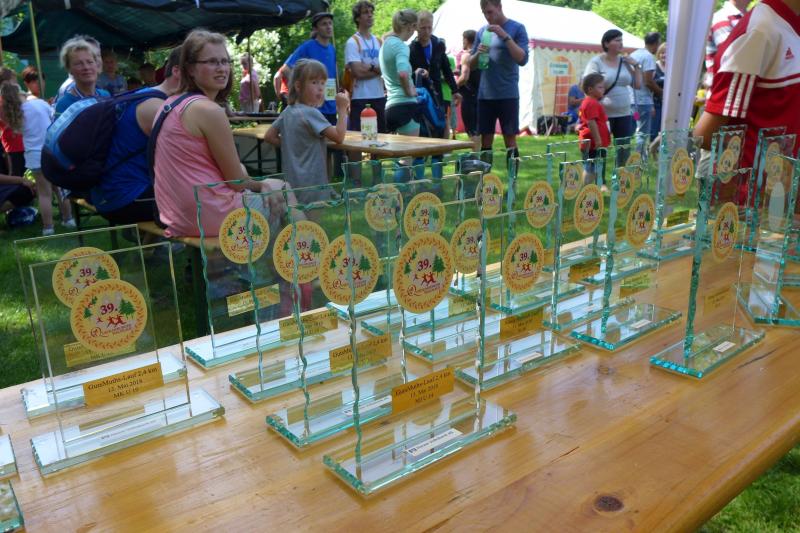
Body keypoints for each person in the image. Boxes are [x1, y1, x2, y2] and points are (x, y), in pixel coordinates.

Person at [152, 30, 279, 237]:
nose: (222, 68)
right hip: (209, 215)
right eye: (211, 62)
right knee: (284, 191)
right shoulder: (209, 110)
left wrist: (243, 173)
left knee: (273, 189)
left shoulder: (169, 103)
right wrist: (262, 184)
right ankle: (299, 255)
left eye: (225, 61)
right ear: (190, 69)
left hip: (175, 214)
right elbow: (236, 182)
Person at [693, 0, 800, 205]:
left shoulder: (784, 25)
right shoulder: (760, 30)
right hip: (749, 205)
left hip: (783, 200)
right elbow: (705, 136)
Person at [88, 46, 182, 225]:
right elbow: (185, 164)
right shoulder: (157, 107)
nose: (222, 69)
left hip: (105, 194)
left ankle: (151, 242)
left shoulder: (142, 95)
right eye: (209, 63)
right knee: (204, 199)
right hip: (124, 199)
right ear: (178, 71)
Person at [264, 59, 349, 206]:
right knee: (313, 220)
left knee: (297, 217)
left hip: (292, 183)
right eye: (314, 82)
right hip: (312, 184)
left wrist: (291, 145)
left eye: (322, 83)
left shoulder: (287, 111)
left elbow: (269, 136)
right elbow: (339, 137)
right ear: (298, 86)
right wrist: (342, 109)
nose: (320, 88)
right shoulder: (311, 113)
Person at [0, 80, 73, 235]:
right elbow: (53, 119)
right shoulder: (39, 103)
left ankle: (48, 227)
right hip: (52, 151)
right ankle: (68, 219)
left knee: (44, 193)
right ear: (21, 93)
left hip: (34, 156)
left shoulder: (16, 115)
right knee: (60, 189)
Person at [469, 0, 529, 162]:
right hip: (485, 95)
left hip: (507, 94)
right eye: (484, 13)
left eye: (490, 12)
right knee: (486, 140)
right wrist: (478, 53)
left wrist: (505, 36)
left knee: (510, 140)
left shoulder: (517, 28)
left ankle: (512, 177)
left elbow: (522, 59)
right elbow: (471, 65)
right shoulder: (482, 31)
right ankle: (485, 176)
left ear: (499, 7)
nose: (487, 16)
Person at [583, 29, 642, 144]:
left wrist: (636, 65)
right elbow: (587, 86)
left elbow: (638, 85)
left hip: (625, 113)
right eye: (617, 40)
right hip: (602, 113)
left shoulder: (625, 62)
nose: (621, 43)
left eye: (621, 40)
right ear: (606, 44)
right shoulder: (596, 62)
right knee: (602, 146)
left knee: (623, 148)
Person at [279, 13, 338, 124]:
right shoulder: (307, 47)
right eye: (324, 24)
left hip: (331, 107)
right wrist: (301, 91)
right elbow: (286, 70)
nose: (328, 27)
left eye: (330, 23)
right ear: (316, 29)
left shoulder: (332, 49)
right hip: (313, 108)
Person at [409, 10, 460, 137]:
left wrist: (455, 90)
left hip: (437, 92)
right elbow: (408, 73)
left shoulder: (438, 44)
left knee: (441, 125)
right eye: (423, 28)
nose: (427, 31)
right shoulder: (411, 48)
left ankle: (441, 150)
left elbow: (446, 69)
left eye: (429, 27)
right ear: (416, 28)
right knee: (424, 128)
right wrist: (416, 74)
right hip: (421, 94)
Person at [345, 1, 386, 133]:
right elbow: (358, 72)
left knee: (381, 136)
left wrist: (370, 67)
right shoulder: (352, 42)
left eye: (371, 12)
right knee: (359, 137)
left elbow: (385, 69)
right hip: (360, 97)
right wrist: (377, 69)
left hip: (379, 95)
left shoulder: (379, 41)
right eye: (365, 13)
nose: (370, 15)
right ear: (357, 18)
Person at [380, 9, 419, 136]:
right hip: (405, 105)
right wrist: (410, 92)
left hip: (390, 107)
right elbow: (402, 73)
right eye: (414, 27)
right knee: (411, 148)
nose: (414, 32)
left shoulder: (385, 44)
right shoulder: (401, 47)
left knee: (397, 149)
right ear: (409, 26)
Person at [54, 36, 110, 118]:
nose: (86, 67)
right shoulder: (65, 104)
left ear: (96, 64)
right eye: (78, 64)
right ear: (69, 69)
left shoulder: (105, 95)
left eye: (90, 62)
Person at [704, 0, 749, 94]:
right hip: (723, 93)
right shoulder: (721, 17)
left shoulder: (750, 17)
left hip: (736, 91)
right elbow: (733, 56)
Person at [577, 73, 611, 184]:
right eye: (600, 87)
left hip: (593, 143)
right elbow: (591, 122)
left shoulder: (592, 102)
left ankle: (594, 188)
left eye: (603, 87)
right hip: (592, 144)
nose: (603, 89)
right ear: (590, 89)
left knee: (594, 166)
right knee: (590, 167)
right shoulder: (591, 103)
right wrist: (598, 140)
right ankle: (586, 190)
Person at [630, 32, 661, 141]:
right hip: (643, 102)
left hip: (631, 101)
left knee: (633, 131)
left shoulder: (634, 54)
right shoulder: (648, 57)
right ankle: (640, 152)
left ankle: (631, 151)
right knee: (642, 133)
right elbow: (648, 81)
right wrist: (661, 93)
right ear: (656, 43)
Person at [457, 29, 481, 150]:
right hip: (481, 95)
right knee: (478, 130)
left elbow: (464, 77)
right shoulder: (481, 55)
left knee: (472, 130)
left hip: (469, 95)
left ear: (466, 40)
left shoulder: (467, 55)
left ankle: (476, 156)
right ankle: (480, 155)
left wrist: (454, 87)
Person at [651, 42, 666, 141]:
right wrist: (651, 105)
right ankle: (651, 148)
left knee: (665, 130)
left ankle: (662, 149)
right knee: (654, 131)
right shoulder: (654, 67)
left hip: (668, 105)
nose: (665, 55)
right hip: (655, 104)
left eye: (667, 53)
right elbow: (649, 86)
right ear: (658, 54)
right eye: (662, 52)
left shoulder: (673, 68)